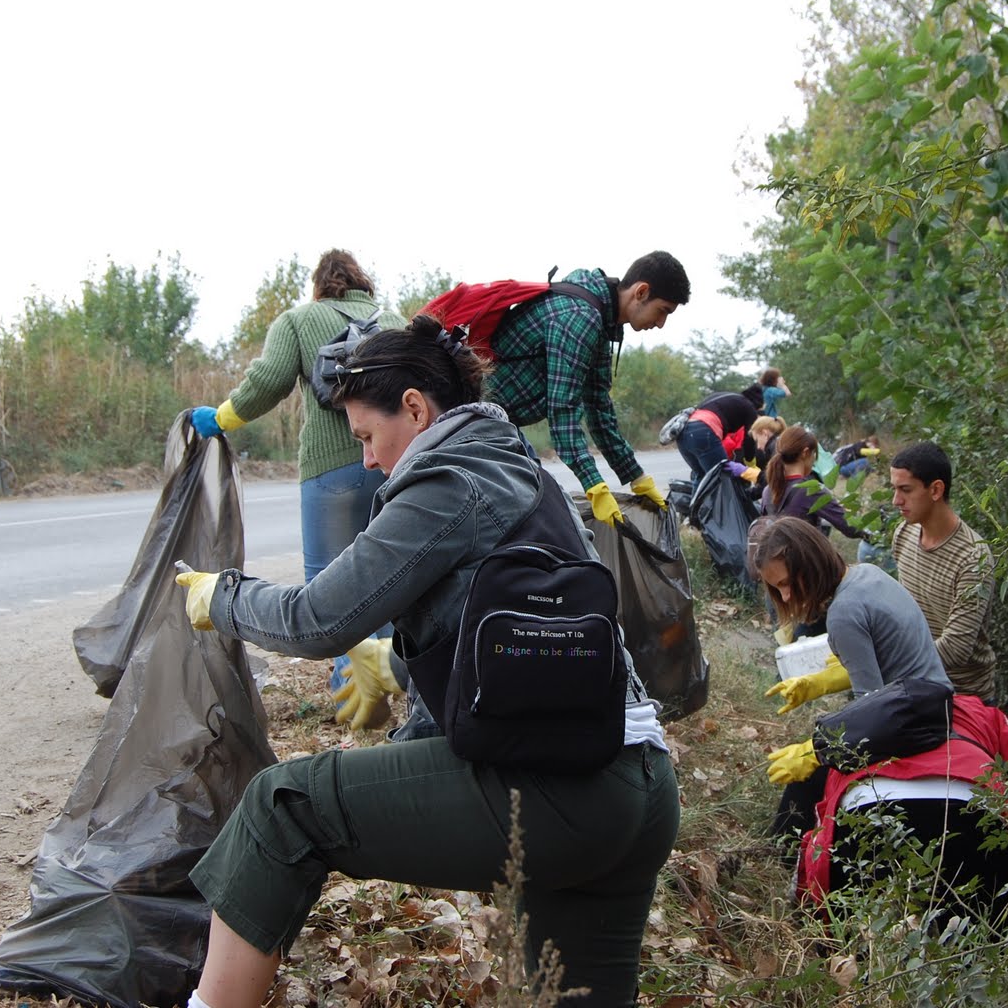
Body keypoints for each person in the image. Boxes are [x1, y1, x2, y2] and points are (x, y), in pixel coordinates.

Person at [173, 317, 680, 1008]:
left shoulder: (448, 479)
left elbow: (319, 618)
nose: (370, 461)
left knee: (281, 806)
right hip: (641, 782)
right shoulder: (518, 466)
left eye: (366, 437)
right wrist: (400, 664)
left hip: (565, 793)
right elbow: (513, 639)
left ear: (414, 407)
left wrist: (222, 597)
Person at [188, 249, 406, 698]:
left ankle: (357, 689)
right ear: (362, 283)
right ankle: (394, 681)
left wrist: (224, 418)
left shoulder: (299, 320)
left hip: (330, 472)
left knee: (331, 583)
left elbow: (268, 381)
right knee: (392, 574)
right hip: (396, 462)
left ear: (320, 285)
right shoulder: (395, 319)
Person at [748, 518, 953, 849]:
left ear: (810, 562)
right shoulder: (866, 574)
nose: (786, 594)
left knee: (811, 773)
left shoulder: (844, 612)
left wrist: (816, 751)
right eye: (777, 588)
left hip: (917, 720)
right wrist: (818, 683)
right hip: (934, 702)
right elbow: (884, 662)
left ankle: (784, 855)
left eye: (787, 582)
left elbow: (872, 709)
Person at [794, 693, 1008, 929]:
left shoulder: (855, 724)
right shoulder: (974, 709)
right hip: (970, 802)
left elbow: (818, 837)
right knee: (982, 938)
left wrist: (807, 911)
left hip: (864, 805)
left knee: (862, 935)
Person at [484, 251, 688, 527]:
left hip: (500, 423)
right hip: (474, 421)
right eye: (663, 310)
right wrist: (594, 485)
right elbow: (563, 411)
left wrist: (636, 476)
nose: (661, 323)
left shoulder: (602, 323)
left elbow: (599, 410)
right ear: (641, 292)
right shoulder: (580, 317)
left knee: (537, 508)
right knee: (526, 514)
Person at [888, 442, 997, 701]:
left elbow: (956, 649)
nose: (896, 501)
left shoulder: (973, 557)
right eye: (894, 489)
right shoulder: (904, 534)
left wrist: (890, 660)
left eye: (906, 490)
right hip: (915, 686)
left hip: (965, 698)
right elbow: (905, 613)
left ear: (936, 489)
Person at [760, 426, 869, 542]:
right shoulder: (810, 489)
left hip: (777, 557)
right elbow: (850, 527)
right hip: (804, 558)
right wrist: (876, 536)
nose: (814, 462)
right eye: (814, 455)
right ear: (805, 453)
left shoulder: (767, 490)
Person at [675, 390, 761, 484]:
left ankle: (698, 499)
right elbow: (750, 438)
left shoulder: (725, 397)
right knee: (722, 477)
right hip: (704, 430)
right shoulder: (749, 407)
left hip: (682, 429)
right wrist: (750, 464)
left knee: (702, 477)